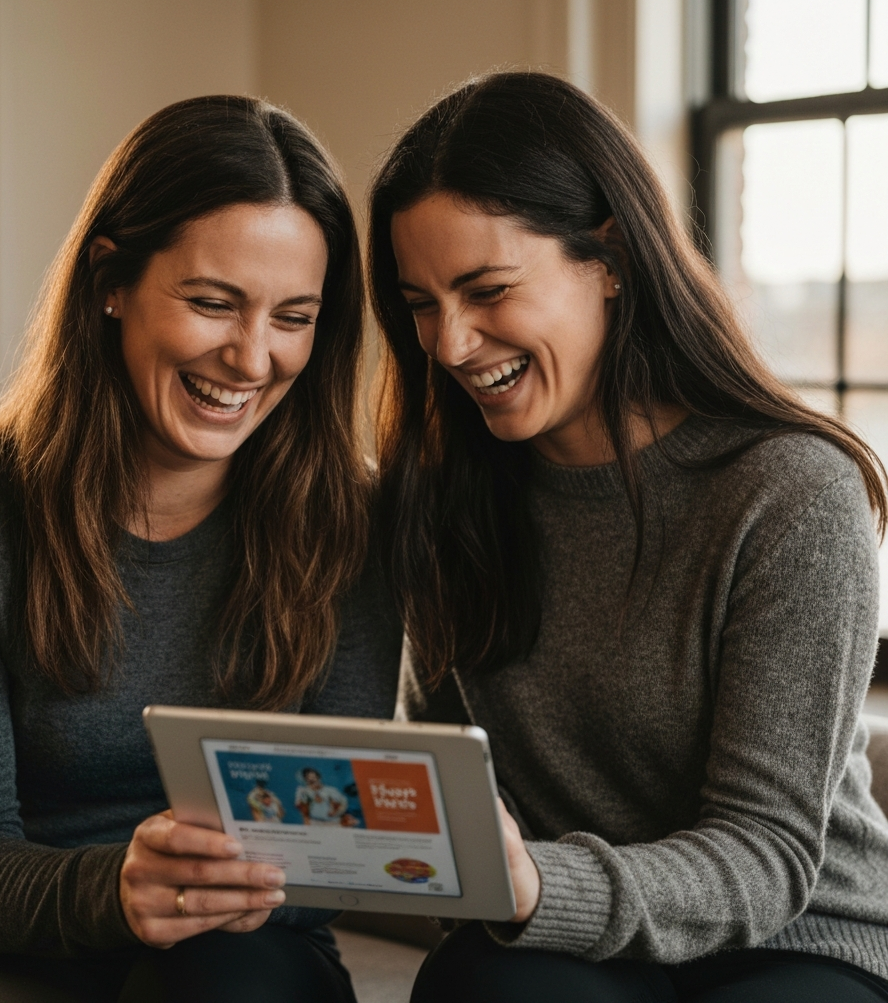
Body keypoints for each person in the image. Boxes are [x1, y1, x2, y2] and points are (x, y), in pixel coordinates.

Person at [368, 71, 888, 1002]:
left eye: (487, 289)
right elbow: (450, 790)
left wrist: (539, 884)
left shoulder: (790, 491)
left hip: (796, 939)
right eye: (419, 304)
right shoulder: (445, 494)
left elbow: (767, 855)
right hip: (561, 943)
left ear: (608, 256)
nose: (448, 346)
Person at [0, 95, 402, 1003]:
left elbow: (328, 854)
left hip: (248, 949)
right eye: (212, 303)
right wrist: (118, 891)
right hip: (8, 948)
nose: (250, 358)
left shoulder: (350, 523)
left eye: (293, 317)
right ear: (108, 283)